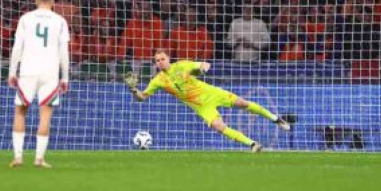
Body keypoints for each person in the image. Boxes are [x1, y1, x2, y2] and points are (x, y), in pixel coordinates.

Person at [124, 49, 291, 152]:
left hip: (212, 93)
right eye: (157, 60)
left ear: (168, 59)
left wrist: (202, 69)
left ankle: (276, 119)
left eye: (162, 58)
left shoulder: (182, 65)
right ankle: (253, 144)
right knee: (219, 127)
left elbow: (205, 64)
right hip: (201, 107)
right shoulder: (158, 80)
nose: (160, 62)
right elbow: (142, 98)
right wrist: (133, 89)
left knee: (244, 104)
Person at [8, 0, 70, 168]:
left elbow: (17, 47)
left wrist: (12, 72)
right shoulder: (60, 21)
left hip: (28, 70)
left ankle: (18, 157)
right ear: (53, 2)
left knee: (20, 111)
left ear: (36, 0)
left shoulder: (26, 18)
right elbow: (63, 51)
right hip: (49, 72)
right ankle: (39, 159)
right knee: (45, 115)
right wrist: (65, 77)